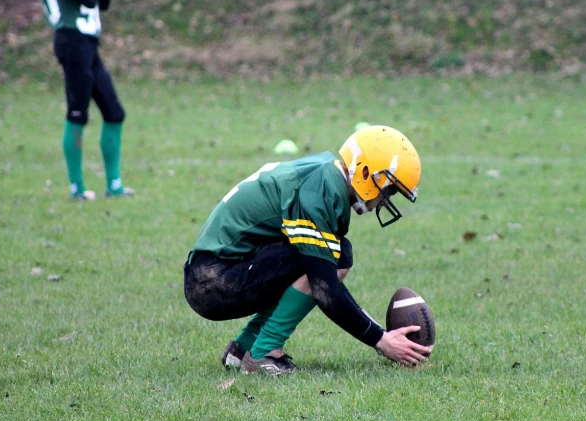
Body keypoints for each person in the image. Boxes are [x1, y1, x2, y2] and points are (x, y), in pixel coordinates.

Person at [184, 125, 432, 375]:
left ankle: (244, 348)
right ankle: (262, 353)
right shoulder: (321, 190)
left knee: (335, 254)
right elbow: (326, 289)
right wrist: (381, 340)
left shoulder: (326, 173)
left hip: (215, 271)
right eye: (388, 189)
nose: (386, 199)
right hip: (212, 282)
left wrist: (379, 335)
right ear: (366, 172)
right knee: (332, 260)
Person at [34, 0, 134, 201]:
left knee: (115, 113)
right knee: (78, 112)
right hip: (71, 40)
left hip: (89, 43)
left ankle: (113, 185)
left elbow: (103, 1)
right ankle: (76, 188)